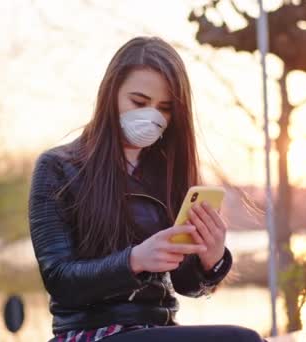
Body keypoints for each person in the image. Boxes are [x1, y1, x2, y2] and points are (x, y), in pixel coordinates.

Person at [29, 36, 265, 342]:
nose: (151, 116)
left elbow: (186, 285)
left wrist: (212, 259)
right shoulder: (57, 168)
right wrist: (134, 260)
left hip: (158, 330)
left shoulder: (166, 172)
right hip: (90, 334)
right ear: (109, 95)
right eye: (139, 102)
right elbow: (59, 279)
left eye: (165, 108)